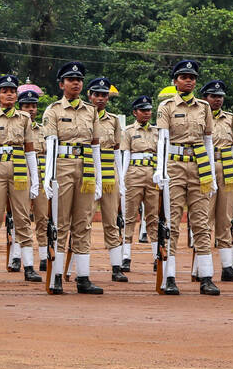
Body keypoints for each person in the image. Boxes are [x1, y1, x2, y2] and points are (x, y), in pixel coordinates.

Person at [155, 60, 219, 296]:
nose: (188, 80)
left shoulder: (204, 107)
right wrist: (160, 170)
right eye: (183, 77)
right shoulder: (167, 106)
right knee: (171, 223)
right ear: (175, 81)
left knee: (201, 223)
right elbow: (162, 139)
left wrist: (211, 173)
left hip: (199, 165)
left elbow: (209, 142)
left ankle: (206, 277)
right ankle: (170, 277)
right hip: (174, 166)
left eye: (192, 77)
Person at [42, 61, 103, 295]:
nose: (75, 83)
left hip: (86, 166)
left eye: (78, 80)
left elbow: (95, 146)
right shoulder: (54, 110)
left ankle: (83, 277)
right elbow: (50, 144)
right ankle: (56, 275)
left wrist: (97, 178)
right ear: (62, 84)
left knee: (84, 222)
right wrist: (48, 176)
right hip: (63, 165)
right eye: (70, 80)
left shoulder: (91, 112)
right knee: (60, 222)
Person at [0, 75, 40, 282]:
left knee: (22, 217)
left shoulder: (25, 119)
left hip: (19, 167)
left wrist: (35, 178)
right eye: (5, 91)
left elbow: (30, 150)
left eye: (12, 90)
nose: (9, 94)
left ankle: (29, 266)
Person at [198, 81, 233, 281]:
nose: (217, 99)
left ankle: (227, 267)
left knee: (225, 219)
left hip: (226, 169)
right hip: (205, 167)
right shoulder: (198, 115)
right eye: (213, 96)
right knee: (203, 219)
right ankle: (200, 268)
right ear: (205, 98)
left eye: (220, 96)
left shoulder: (230, 119)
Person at [86, 77, 126, 282]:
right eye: (97, 94)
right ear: (89, 95)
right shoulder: (83, 116)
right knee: (83, 221)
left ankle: (116, 267)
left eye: (104, 95)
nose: (100, 98)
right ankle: (79, 267)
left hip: (110, 175)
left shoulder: (113, 120)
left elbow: (117, 151)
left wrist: (122, 179)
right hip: (88, 174)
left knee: (112, 221)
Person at [120, 95, 160, 274]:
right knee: (130, 217)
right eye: (143, 110)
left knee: (153, 218)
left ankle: (157, 256)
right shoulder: (128, 131)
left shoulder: (157, 131)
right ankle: (125, 257)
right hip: (134, 173)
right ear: (135, 112)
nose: (147, 113)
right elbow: (126, 155)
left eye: (149, 110)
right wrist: (122, 178)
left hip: (152, 174)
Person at [17, 89, 49, 272]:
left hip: (41, 176)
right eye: (26, 106)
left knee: (42, 217)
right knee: (19, 217)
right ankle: (16, 257)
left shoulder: (43, 130)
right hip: (21, 175)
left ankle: (44, 256)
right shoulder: (16, 128)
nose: (30, 109)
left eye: (33, 106)